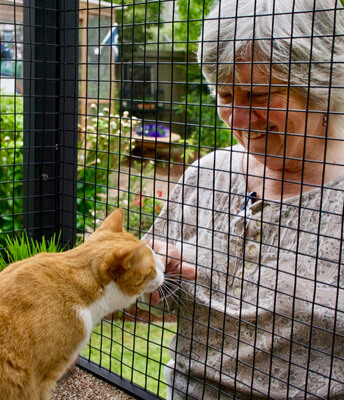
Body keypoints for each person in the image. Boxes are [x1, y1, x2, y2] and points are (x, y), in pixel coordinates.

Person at [144, 0, 344, 398]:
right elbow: (153, 302)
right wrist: (146, 278)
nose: (235, 119)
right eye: (225, 94)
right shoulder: (207, 173)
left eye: (256, 94)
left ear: (322, 87)